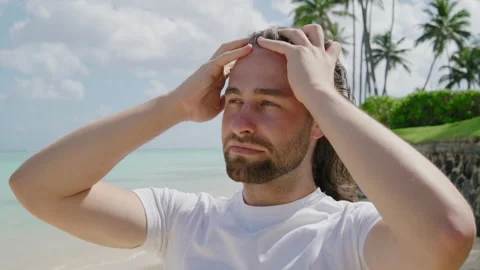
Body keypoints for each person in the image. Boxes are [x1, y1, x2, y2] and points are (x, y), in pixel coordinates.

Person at [9, 24, 476, 270]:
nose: (242, 123)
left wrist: (322, 97)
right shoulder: (184, 221)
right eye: (234, 101)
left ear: (319, 123)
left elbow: (447, 236)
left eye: (270, 104)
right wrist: (173, 105)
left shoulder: (350, 235)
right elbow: (37, 187)